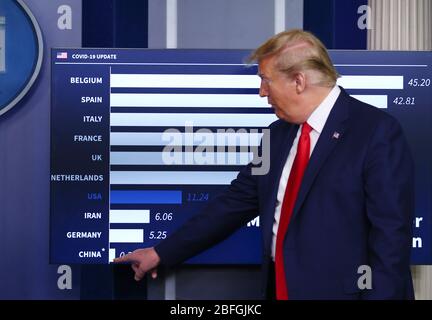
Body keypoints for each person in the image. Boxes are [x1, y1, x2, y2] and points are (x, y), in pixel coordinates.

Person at [114, 29, 415, 300]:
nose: (261, 92)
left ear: (299, 80)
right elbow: (234, 204)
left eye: (266, 80)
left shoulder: (376, 132)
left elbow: (391, 241)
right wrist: (161, 253)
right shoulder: (276, 135)